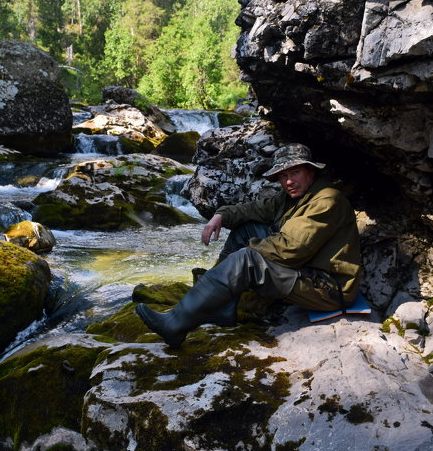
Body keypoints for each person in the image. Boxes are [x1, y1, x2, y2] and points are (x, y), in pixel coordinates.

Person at [135, 143, 361, 348]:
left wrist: (247, 252)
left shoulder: (326, 200)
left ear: (311, 171)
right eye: (282, 176)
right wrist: (220, 216)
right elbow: (253, 209)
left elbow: (290, 250)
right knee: (246, 229)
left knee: (245, 258)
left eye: (295, 172)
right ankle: (222, 307)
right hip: (306, 269)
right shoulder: (291, 197)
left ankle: (174, 325)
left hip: (326, 288)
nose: (288, 181)